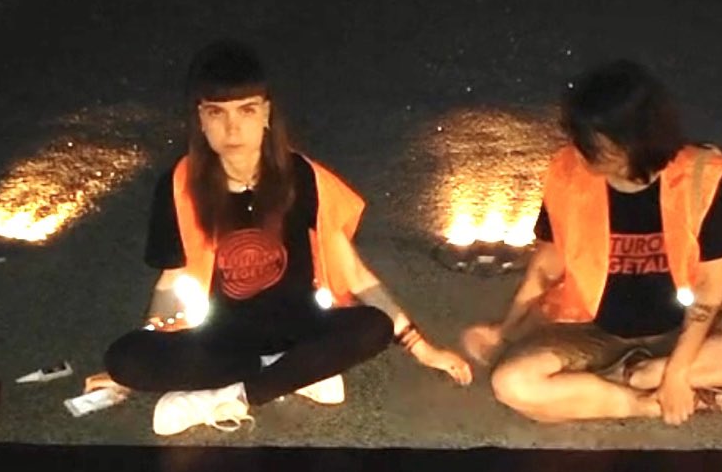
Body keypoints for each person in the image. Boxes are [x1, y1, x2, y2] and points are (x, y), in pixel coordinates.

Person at [100, 40, 470, 435]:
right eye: (216, 113)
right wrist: (149, 342)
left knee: (372, 328)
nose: (232, 128)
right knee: (124, 360)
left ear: (266, 113)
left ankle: (234, 397)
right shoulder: (179, 186)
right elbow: (171, 282)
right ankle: (291, 375)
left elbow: (355, 274)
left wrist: (422, 348)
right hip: (223, 341)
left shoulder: (302, 177)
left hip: (301, 326)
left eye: (246, 110)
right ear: (200, 120)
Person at [462, 60, 722, 425]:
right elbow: (546, 268)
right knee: (512, 384)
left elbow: (709, 286)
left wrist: (676, 371)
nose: (578, 149)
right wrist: (505, 329)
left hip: (687, 329)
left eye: (592, 141)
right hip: (594, 330)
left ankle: (645, 377)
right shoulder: (567, 173)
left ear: (632, 141)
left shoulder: (700, 175)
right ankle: (644, 403)